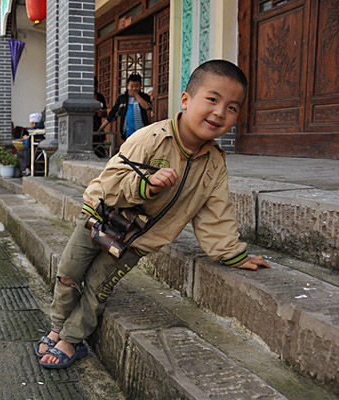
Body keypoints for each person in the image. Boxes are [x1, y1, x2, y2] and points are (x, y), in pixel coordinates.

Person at [36, 60, 271, 369]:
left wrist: (232, 254)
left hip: (138, 240)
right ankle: (56, 325)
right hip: (100, 217)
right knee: (68, 272)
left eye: (232, 108)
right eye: (212, 99)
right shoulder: (152, 138)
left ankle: (72, 338)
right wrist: (144, 186)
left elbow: (217, 213)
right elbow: (107, 184)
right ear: (186, 100)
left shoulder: (214, 164)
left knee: (98, 285)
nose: (219, 112)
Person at [96, 73, 152, 141]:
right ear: (128, 86)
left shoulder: (144, 97)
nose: (134, 88)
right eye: (132, 86)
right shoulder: (122, 99)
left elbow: (146, 107)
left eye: (136, 86)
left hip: (143, 133)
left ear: (140, 86)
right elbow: (112, 114)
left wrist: (136, 95)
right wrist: (101, 128)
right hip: (128, 133)